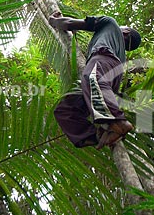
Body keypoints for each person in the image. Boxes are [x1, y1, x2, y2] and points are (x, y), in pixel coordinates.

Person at [48, 12, 141, 149]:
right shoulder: (119, 52)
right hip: (109, 80)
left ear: (126, 31)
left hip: (102, 61)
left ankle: (117, 122)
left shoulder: (110, 22)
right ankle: (94, 136)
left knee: (92, 78)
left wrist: (54, 20)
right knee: (66, 110)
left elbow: (68, 24)